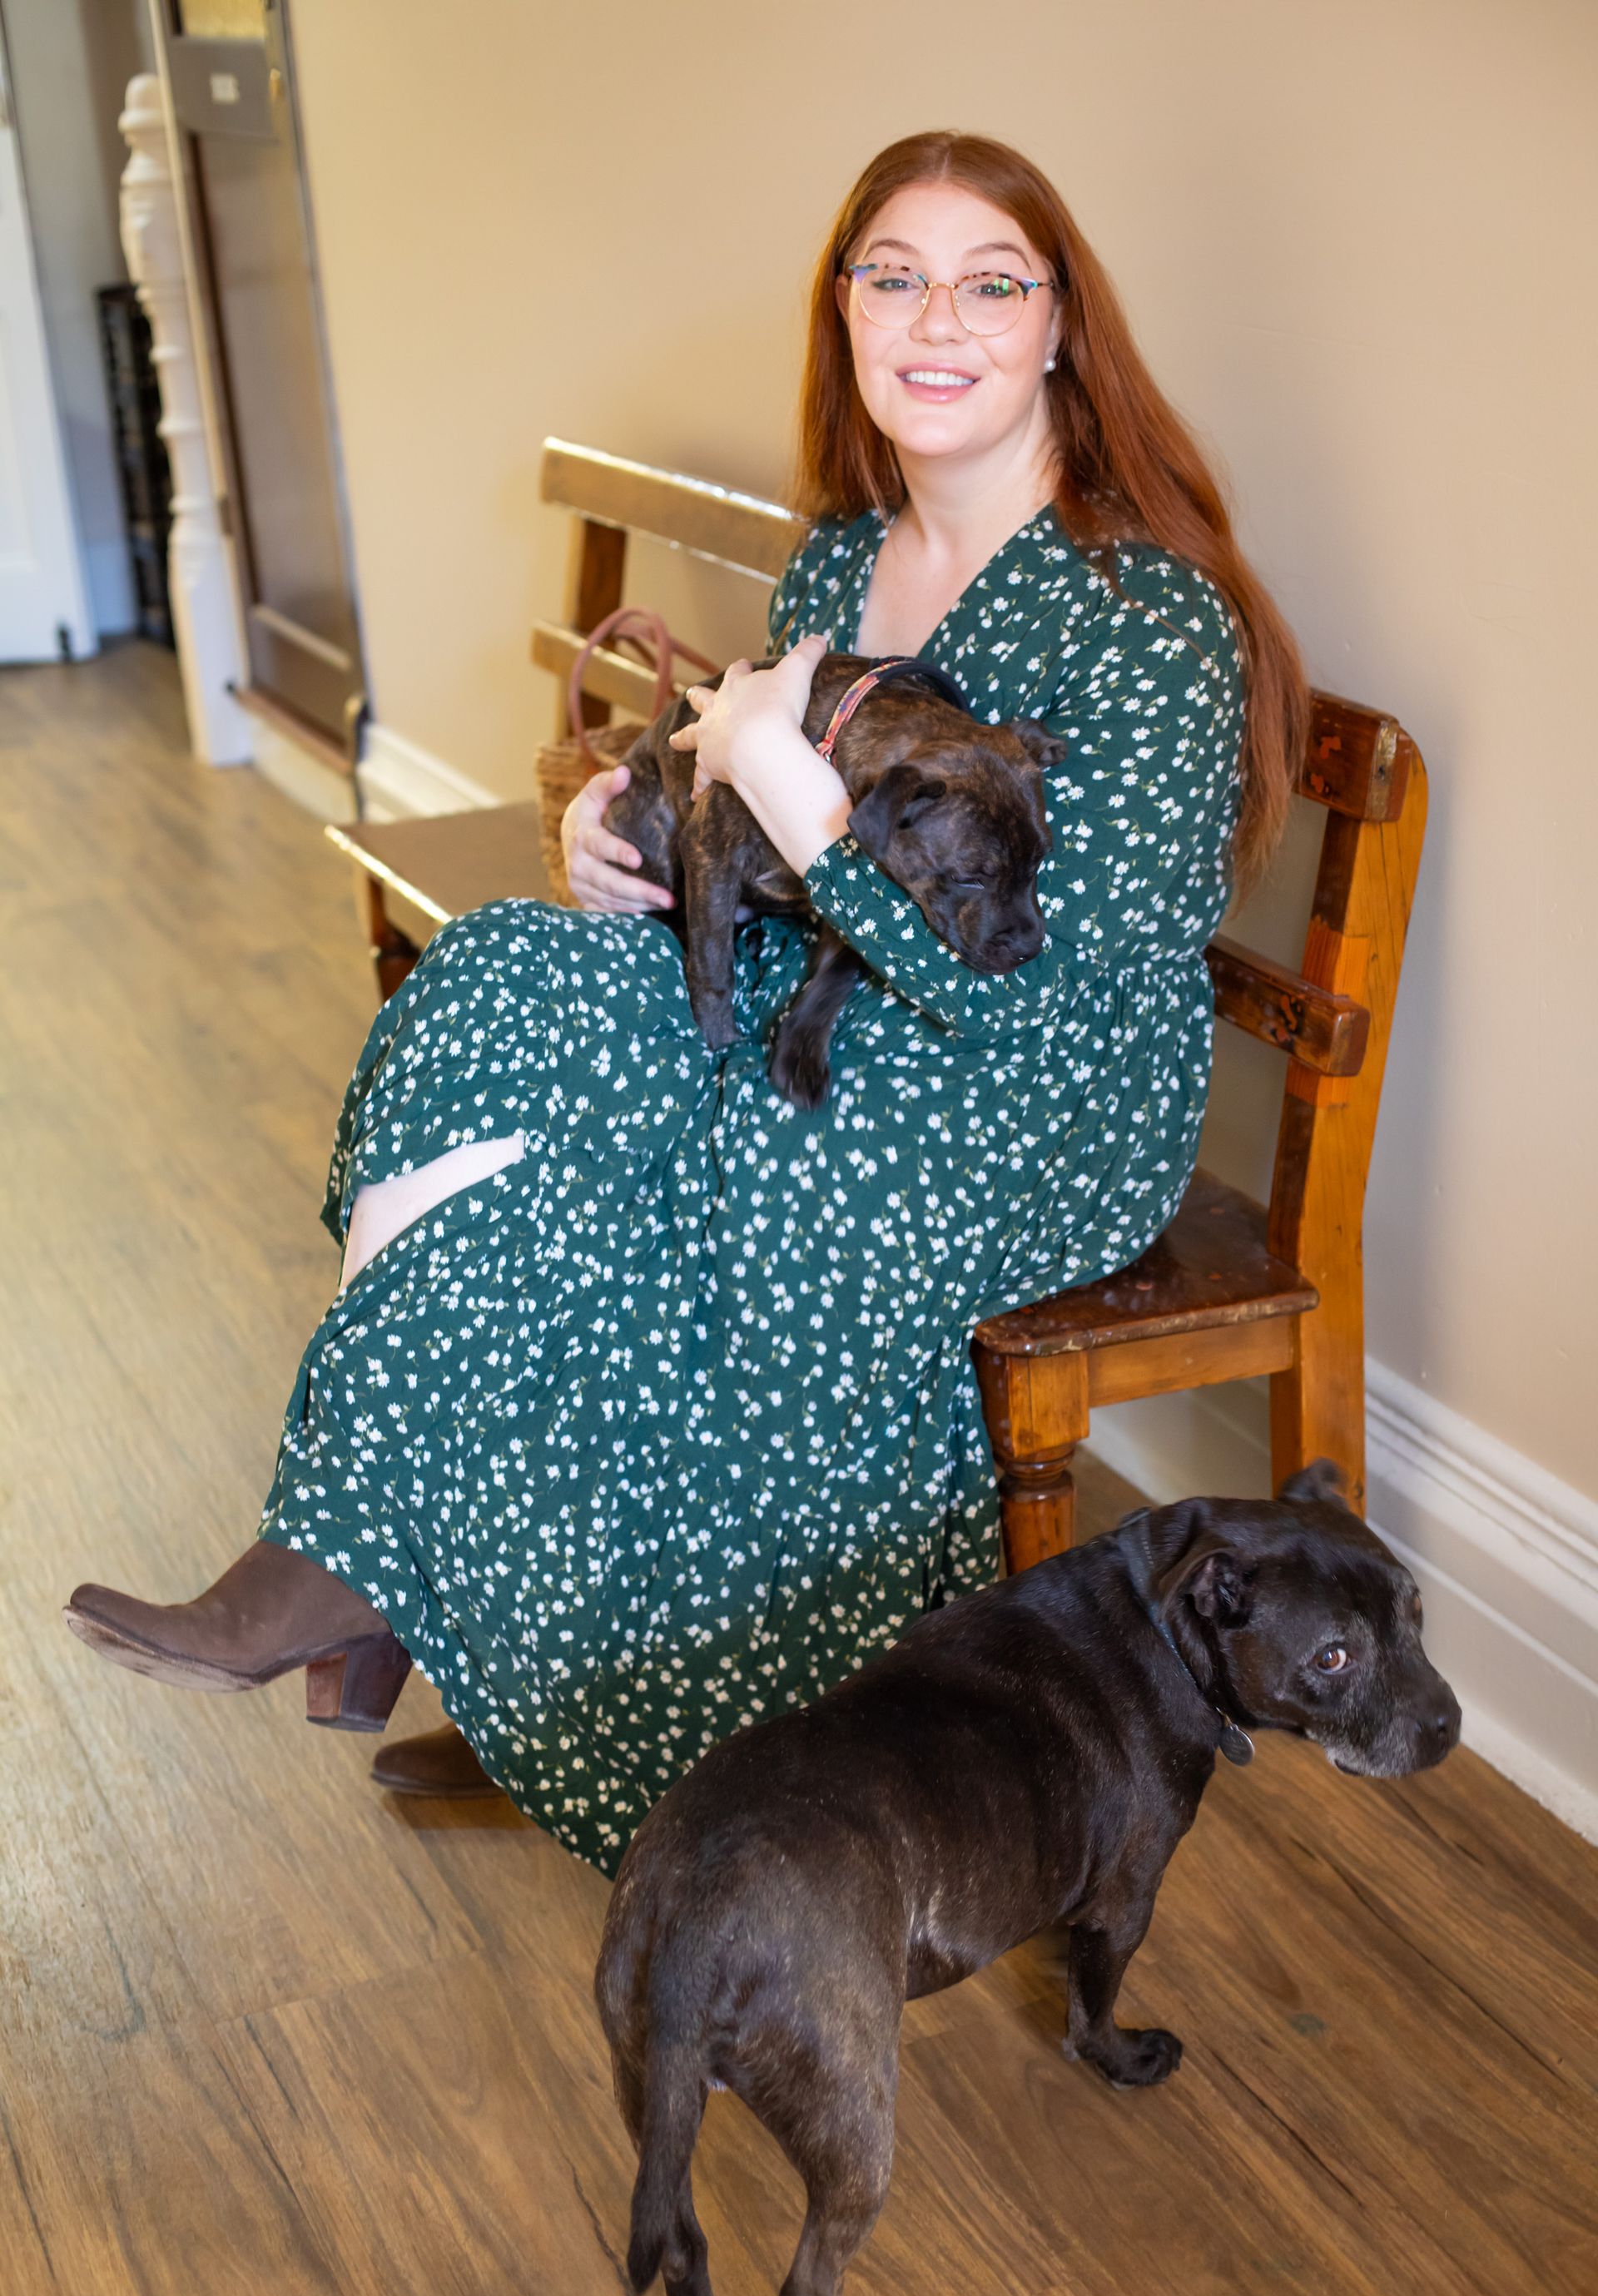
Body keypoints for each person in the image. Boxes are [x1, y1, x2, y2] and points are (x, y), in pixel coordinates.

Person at [65, 130, 1307, 1874]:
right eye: (892, 275)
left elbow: (1049, 992)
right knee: (504, 986)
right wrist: (626, 830)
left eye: (990, 282)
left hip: (1042, 1092)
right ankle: (374, 1552)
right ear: (848, 317)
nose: (934, 316)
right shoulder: (841, 560)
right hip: (829, 994)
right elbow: (746, 811)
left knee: (744, 1184)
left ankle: (701, 1746)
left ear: (1059, 333)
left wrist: (795, 800)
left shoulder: (1147, 625)